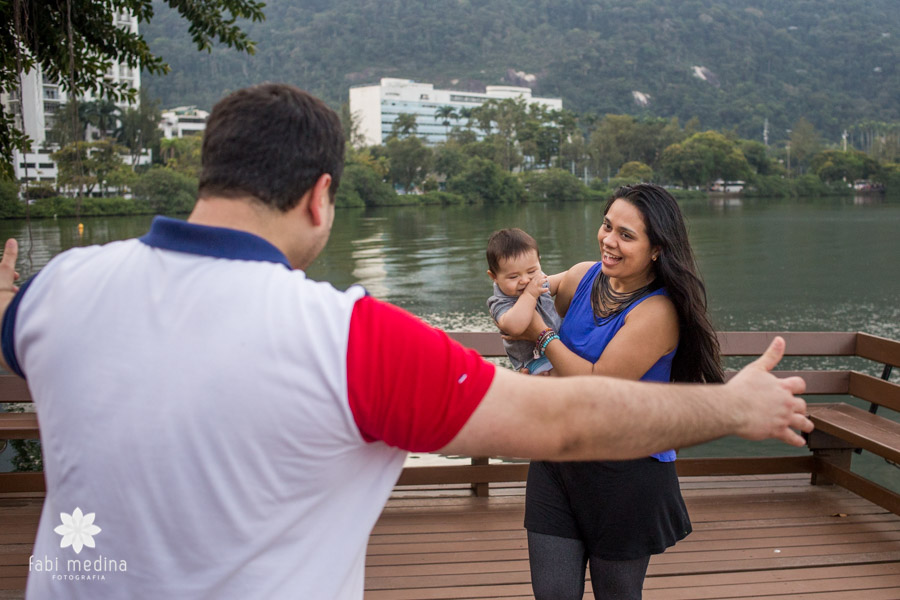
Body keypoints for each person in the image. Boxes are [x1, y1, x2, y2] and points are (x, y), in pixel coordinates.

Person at [0, 83, 812, 600]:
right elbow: (562, 422)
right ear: (322, 198)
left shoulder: (62, 289)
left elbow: (11, 321)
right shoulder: (350, 340)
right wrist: (729, 404)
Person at [515, 184, 725, 599]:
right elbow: (524, 289)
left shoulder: (658, 313)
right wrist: (512, 290)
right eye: (607, 226)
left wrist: (539, 333)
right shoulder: (581, 277)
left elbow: (597, 385)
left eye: (626, 235)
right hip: (557, 460)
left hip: (625, 475)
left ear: (657, 250)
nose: (609, 240)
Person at [486, 228, 563, 375]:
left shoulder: (538, 283)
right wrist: (529, 295)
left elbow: (565, 279)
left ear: (539, 262)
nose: (525, 280)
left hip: (562, 346)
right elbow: (514, 327)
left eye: (531, 271)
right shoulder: (500, 303)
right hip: (537, 361)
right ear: (494, 276)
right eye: (513, 277)